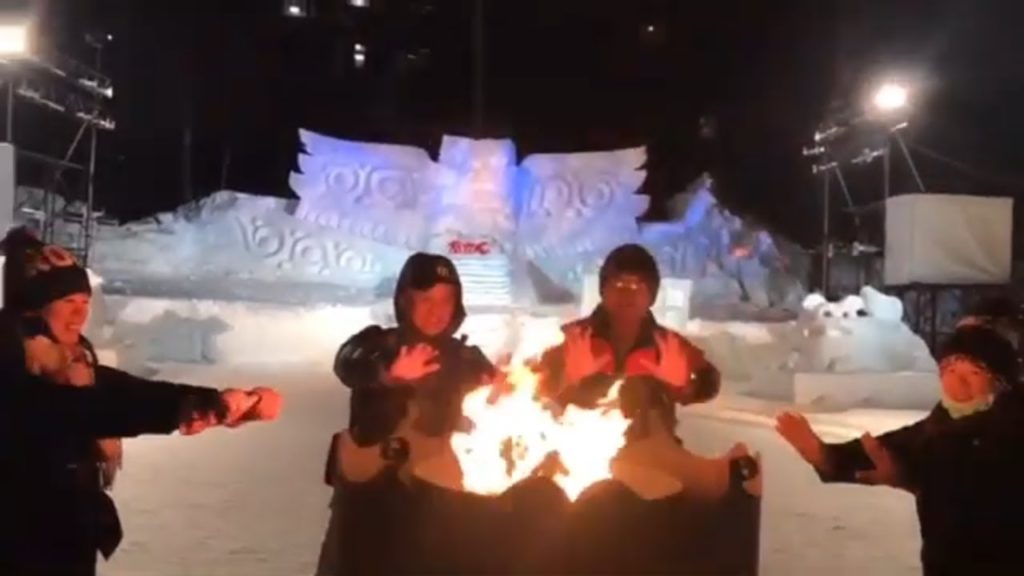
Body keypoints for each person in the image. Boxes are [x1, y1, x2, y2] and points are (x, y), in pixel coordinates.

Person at [0, 227, 283, 576]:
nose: (80, 314)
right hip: (21, 543)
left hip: (64, 537)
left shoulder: (75, 363)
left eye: (85, 303)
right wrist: (181, 409)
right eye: (67, 303)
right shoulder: (11, 366)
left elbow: (121, 392)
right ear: (36, 309)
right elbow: (87, 409)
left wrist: (202, 403)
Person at [776, 324, 1024, 575]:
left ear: (1000, 383)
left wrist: (911, 480)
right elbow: (877, 453)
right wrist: (824, 455)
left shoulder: (1014, 433)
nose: (956, 383)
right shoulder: (934, 431)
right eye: (949, 370)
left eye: (972, 373)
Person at [316, 252, 496, 575]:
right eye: (425, 299)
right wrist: (390, 375)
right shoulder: (377, 344)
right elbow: (347, 363)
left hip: (441, 509)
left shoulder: (468, 359)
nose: (436, 311)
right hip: (368, 508)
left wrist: (506, 387)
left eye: (445, 300)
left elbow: (503, 401)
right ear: (404, 300)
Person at [536, 243, 721, 440]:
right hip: (575, 452)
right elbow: (530, 385)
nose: (627, 294)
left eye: (637, 286)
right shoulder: (573, 338)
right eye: (618, 284)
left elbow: (709, 382)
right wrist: (567, 377)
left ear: (652, 295)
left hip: (651, 457)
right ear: (603, 290)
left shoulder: (668, 346)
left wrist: (685, 384)